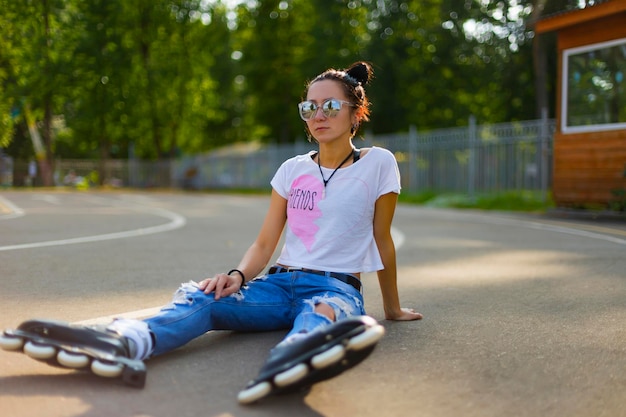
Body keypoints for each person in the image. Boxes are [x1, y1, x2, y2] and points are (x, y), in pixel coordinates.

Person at [0, 62, 422, 403]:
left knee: (324, 313)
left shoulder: (377, 162)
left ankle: (295, 356)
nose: (318, 115)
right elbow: (264, 243)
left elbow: (382, 239)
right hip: (278, 284)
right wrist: (237, 276)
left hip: (335, 286)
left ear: (355, 112)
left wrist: (392, 308)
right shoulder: (292, 170)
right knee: (204, 296)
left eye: (330, 106)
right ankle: (126, 342)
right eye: (309, 107)